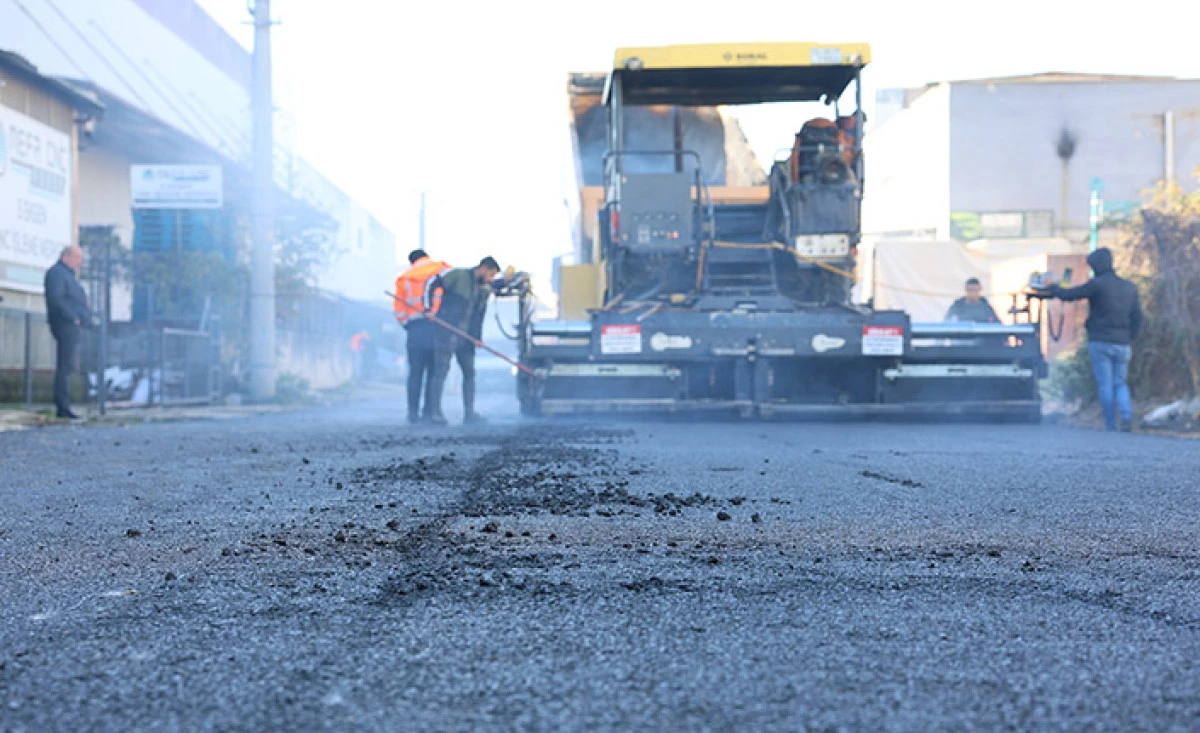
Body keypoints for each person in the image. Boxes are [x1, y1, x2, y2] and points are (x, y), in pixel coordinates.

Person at [1045, 247, 1142, 432]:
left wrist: (1052, 287)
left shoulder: (1096, 284)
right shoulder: (1129, 287)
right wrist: (1130, 337)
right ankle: (1127, 416)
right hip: (1123, 342)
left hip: (1100, 341)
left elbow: (1070, 295)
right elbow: (1138, 316)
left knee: (1105, 384)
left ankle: (1111, 424)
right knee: (1120, 382)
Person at [424, 256, 501, 426]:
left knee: (469, 373)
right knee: (441, 372)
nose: (491, 280)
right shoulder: (458, 276)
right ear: (483, 268)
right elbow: (432, 285)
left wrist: (477, 338)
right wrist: (429, 309)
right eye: (491, 275)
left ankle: (470, 413)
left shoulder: (484, 290)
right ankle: (435, 413)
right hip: (447, 331)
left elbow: (479, 315)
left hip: (467, 338)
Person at [394, 249, 450, 424]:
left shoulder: (404, 279)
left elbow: (399, 309)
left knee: (416, 373)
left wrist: (407, 324)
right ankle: (429, 412)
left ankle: (412, 413)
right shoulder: (440, 268)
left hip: (415, 328)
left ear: (412, 261)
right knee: (434, 372)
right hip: (437, 325)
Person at [43, 245, 91, 420]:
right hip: (65, 325)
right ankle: (62, 406)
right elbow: (56, 299)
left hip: (73, 325)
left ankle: (65, 405)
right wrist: (73, 318)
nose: (80, 262)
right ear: (67, 256)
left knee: (68, 366)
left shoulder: (68, 276)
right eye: (78, 258)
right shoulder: (57, 274)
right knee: (65, 366)